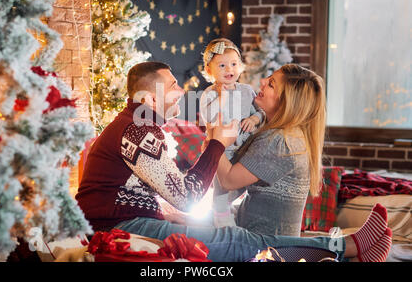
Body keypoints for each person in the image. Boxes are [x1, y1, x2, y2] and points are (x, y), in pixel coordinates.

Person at [75, 61, 392, 262]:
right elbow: (189, 196)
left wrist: (215, 139)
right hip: (113, 226)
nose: (181, 89)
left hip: (118, 221)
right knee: (237, 242)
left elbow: (186, 192)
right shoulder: (138, 130)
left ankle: (342, 248)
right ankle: (343, 248)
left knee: (239, 241)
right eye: (173, 85)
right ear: (150, 98)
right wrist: (215, 142)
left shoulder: (139, 127)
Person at [213, 64, 324, 237]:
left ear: (286, 102)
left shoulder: (280, 142)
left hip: (262, 246)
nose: (263, 81)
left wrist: (214, 143)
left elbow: (228, 180)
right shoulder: (288, 136)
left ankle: (346, 246)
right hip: (257, 236)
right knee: (181, 224)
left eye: (271, 84)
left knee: (166, 230)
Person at [199, 38, 265, 228]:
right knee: (221, 193)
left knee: (244, 189)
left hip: (247, 150)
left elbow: (260, 113)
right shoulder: (209, 94)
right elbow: (210, 118)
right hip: (223, 153)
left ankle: (236, 215)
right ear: (210, 71)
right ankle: (222, 225)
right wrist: (222, 96)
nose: (229, 69)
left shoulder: (246, 91)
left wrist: (254, 119)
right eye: (222, 65)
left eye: (234, 64)